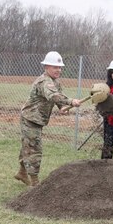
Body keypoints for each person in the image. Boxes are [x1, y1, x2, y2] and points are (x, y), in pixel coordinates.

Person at [16, 51, 82, 186]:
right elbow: (52, 95)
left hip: (37, 119)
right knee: (35, 148)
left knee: (28, 145)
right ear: (46, 67)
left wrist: (62, 107)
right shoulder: (44, 81)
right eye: (54, 67)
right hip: (30, 119)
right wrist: (70, 101)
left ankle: (22, 172)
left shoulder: (55, 81)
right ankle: (34, 182)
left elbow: (58, 96)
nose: (58, 70)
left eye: (59, 67)